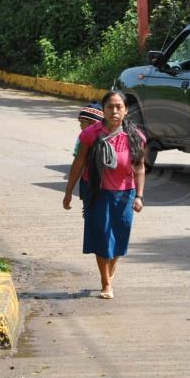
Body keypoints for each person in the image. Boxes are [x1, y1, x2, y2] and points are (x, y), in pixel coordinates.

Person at [63, 91, 145, 299]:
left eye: (119, 107)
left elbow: (139, 167)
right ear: (104, 110)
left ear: (126, 111)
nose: (115, 111)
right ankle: (106, 283)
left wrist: (139, 196)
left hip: (125, 193)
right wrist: (68, 192)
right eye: (110, 107)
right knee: (102, 236)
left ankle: (111, 268)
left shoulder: (135, 136)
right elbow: (79, 162)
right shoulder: (90, 134)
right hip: (96, 192)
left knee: (119, 236)